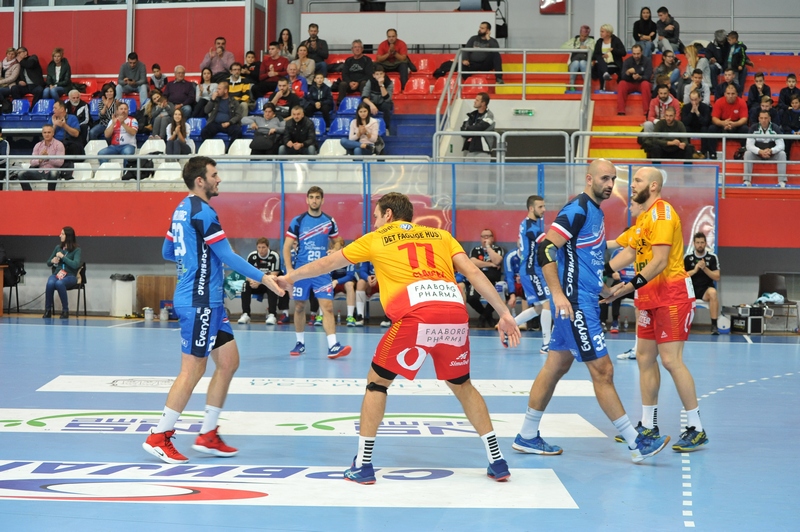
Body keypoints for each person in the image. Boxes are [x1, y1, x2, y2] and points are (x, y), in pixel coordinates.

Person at [276, 192, 521, 484]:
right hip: (454, 314)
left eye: (376, 216)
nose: (374, 222)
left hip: (416, 315)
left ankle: (363, 465)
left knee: (377, 383)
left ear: (388, 215)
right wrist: (504, 313)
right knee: (462, 385)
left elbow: (325, 264)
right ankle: (497, 460)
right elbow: (473, 274)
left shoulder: (376, 238)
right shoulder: (442, 236)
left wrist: (289, 277)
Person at [512, 159, 669, 463]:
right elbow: (546, 249)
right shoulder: (578, 209)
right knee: (603, 371)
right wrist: (558, 295)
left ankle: (527, 435)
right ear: (589, 179)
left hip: (584, 299)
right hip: (575, 305)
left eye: (613, 179)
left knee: (555, 366)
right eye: (604, 178)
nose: (609, 184)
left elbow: (585, 260)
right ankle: (636, 444)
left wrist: (604, 289)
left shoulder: (596, 212)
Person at [142, 156, 284, 464]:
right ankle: (159, 435)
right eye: (214, 175)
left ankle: (207, 434)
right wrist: (265, 279)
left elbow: (168, 250)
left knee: (229, 362)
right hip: (199, 301)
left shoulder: (181, 208)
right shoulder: (204, 212)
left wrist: (194, 261)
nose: (219, 179)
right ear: (200, 181)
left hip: (210, 302)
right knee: (193, 369)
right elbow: (227, 255)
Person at [605, 166, 708, 454]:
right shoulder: (643, 218)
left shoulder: (662, 214)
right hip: (648, 297)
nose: (632, 184)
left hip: (672, 295)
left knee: (671, 361)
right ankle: (648, 425)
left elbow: (660, 261)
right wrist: (599, 269)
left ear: (653, 186)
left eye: (637, 180)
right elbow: (627, 251)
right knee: (644, 358)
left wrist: (628, 286)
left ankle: (697, 428)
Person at [281, 186, 350, 358]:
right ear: (307, 199)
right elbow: (286, 247)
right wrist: (290, 270)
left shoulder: (329, 221)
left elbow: (338, 241)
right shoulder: (298, 221)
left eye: (317, 197)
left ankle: (333, 345)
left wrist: (336, 249)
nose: (314, 200)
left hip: (322, 271)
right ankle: (300, 343)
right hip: (302, 271)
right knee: (299, 306)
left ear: (322, 200)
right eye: (311, 197)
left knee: (328, 307)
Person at [517, 195, 552, 353]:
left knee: (539, 308)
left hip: (529, 270)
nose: (544, 209)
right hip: (532, 271)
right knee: (547, 304)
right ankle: (546, 344)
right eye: (540, 207)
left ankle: (509, 325)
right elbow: (548, 243)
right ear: (531, 208)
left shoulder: (525, 224)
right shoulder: (532, 227)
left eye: (544, 206)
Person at [238, 238, 282, 325]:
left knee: (273, 284)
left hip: (267, 283)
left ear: (268, 247)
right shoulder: (252, 256)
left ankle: (272, 314)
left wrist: (260, 282)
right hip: (255, 284)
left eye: (263, 247)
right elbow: (247, 274)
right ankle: (246, 314)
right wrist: (252, 281)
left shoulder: (274, 256)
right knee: (245, 285)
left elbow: (274, 275)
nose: (261, 250)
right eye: (259, 247)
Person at [465, 228, 504, 327]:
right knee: (471, 298)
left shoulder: (497, 249)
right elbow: (472, 262)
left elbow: (497, 260)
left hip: (493, 280)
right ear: (480, 238)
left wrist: (488, 247)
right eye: (483, 236)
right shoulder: (475, 250)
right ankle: (487, 316)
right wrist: (490, 264)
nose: (486, 238)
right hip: (478, 279)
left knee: (496, 296)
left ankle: (482, 318)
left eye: (488, 236)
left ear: (492, 238)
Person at [684, 232, 720, 334]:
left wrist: (705, 268)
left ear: (705, 243)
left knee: (713, 293)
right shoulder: (687, 258)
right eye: (698, 242)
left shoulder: (712, 257)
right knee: (677, 293)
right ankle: (682, 325)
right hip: (690, 290)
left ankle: (714, 326)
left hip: (705, 290)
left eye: (702, 242)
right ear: (694, 244)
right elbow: (680, 276)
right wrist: (695, 270)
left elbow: (717, 277)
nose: (700, 245)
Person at [43, 226, 81, 319]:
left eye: (62, 234)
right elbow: (48, 263)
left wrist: (63, 257)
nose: (60, 235)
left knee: (59, 283)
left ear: (68, 236)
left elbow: (75, 264)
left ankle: (65, 310)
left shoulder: (77, 250)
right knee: (50, 283)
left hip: (70, 276)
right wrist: (53, 261)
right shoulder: (58, 248)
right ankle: (48, 310)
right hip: (57, 274)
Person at [743, 109, 787, 187]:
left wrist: (771, 150)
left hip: (771, 154)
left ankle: (782, 181)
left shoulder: (775, 128)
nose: (763, 120)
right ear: (758, 119)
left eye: (766, 118)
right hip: (758, 155)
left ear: (769, 118)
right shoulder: (753, 128)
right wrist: (760, 151)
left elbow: (781, 145)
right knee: (747, 153)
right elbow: (749, 145)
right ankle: (747, 180)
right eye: (761, 118)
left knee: (782, 154)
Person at [16, 125, 64, 192]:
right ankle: (29, 195)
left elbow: (60, 162)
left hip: (52, 171)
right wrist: (40, 160)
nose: (47, 134)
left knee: (53, 172)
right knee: (21, 174)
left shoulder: (59, 145)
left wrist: (48, 158)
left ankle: (51, 195)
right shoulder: (38, 145)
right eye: (45, 132)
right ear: (42, 133)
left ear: (53, 133)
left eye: (49, 132)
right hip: (39, 171)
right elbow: (32, 162)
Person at [708, 83, 749, 159]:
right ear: (725, 94)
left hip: (736, 125)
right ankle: (712, 154)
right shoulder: (719, 102)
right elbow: (714, 118)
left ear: (736, 94)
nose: (730, 96)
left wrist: (734, 124)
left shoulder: (741, 102)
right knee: (712, 128)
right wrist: (723, 123)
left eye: (733, 94)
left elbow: (744, 119)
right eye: (728, 93)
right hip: (722, 124)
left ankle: (744, 153)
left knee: (745, 129)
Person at [616, 44, 652, 116]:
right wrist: (628, 73)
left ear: (642, 52)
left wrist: (640, 77)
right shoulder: (627, 61)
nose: (636, 56)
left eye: (638, 54)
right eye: (634, 54)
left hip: (641, 83)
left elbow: (648, 76)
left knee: (646, 84)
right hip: (630, 83)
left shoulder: (647, 61)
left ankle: (647, 111)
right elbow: (622, 76)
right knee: (622, 84)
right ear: (632, 53)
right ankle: (621, 111)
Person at [337, 40, 374, 105]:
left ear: (362, 49)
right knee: (342, 84)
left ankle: (364, 105)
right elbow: (344, 74)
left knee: (364, 83)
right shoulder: (348, 60)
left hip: (361, 83)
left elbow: (369, 75)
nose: (357, 49)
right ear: (352, 49)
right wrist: (350, 82)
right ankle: (340, 105)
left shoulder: (367, 60)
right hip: (350, 84)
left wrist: (358, 82)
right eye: (355, 47)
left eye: (359, 47)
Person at [461, 92, 495, 160]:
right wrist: (471, 129)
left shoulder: (489, 115)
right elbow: (463, 130)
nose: (474, 101)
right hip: (470, 150)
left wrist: (469, 129)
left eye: (477, 100)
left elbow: (480, 127)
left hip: (483, 151)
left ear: (483, 103)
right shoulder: (472, 115)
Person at [591, 24, 625, 91]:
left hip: (613, 64)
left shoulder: (616, 40)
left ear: (608, 33)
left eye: (602, 31)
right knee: (599, 60)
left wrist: (613, 50)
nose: (600, 33)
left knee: (600, 67)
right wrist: (603, 55)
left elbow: (623, 52)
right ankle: (605, 73)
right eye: (600, 31)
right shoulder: (599, 41)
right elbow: (595, 55)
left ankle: (602, 87)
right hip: (602, 63)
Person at [362, 65, 393, 134]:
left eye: (381, 74)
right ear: (374, 75)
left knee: (387, 106)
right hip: (373, 103)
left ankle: (386, 128)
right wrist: (371, 105)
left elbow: (387, 99)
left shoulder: (389, 83)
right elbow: (364, 97)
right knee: (363, 106)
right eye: (377, 74)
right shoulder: (370, 82)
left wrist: (381, 85)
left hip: (383, 102)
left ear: (384, 74)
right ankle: (365, 128)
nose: (379, 76)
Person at [681, 89, 713, 158]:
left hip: (701, 127)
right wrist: (691, 112)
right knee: (686, 128)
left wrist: (698, 113)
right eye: (692, 100)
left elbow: (706, 122)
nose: (694, 102)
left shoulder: (705, 107)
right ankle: (689, 152)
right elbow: (684, 122)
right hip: (690, 127)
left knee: (705, 129)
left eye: (696, 99)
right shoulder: (686, 107)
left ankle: (703, 152)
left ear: (700, 98)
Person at [705, 29, 728, 94]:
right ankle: (714, 90)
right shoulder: (711, 45)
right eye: (720, 41)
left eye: (723, 41)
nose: (722, 43)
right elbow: (707, 56)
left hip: (728, 64)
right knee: (712, 67)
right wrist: (710, 59)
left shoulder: (729, 43)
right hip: (717, 66)